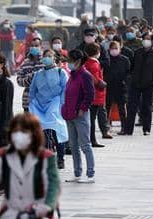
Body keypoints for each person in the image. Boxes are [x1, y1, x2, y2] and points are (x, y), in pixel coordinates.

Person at [29, 49, 69, 169]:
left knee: (57, 130)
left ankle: (60, 157)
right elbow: (33, 90)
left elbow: (65, 88)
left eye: (49, 56)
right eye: (45, 56)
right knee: (44, 132)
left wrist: (62, 104)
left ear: (54, 58)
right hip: (40, 105)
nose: (47, 58)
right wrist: (32, 103)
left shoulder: (60, 72)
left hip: (55, 104)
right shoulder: (38, 74)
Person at [61, 49, 96, 183]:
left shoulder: (85, 75)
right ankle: (77, 173)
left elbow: (90, 95)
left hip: (80, 115)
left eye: (70, 60)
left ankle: (90, 173)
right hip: (69, 115)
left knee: (85, 145)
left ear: (78, 61)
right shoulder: (72, 75)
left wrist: (82, 109)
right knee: (73, 145)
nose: (68, 63)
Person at [124, 33, 153, 136]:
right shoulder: (137, 52)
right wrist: (132, 77)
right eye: (145, 39)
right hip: (135, 83)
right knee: (132, 107)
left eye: (148, 39)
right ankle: (128, 130)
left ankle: (146, 129)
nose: (146, 41)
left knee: (147, 107)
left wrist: (152, 79)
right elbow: (131, 66)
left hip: (148, 84)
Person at [84, 43, 111, 145]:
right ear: (97, 52)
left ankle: (91, 139)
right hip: (95, 95)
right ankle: (92, 140)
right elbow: (94, 79)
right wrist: (101, 83)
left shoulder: (87, 62)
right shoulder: (94, 64)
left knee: (91, 118)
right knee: (92, 118)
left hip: (92, 94)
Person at [104, 41, 131, 135]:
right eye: (112, 48)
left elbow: (128, 73)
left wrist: (125, 82)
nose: (114, 50)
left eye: (116, 48)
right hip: (109, 87)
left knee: (122, 109)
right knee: (107, 108)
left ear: (120, 49)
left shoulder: (125, 60)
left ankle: (124, 127)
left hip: (121, 87)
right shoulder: (106, 59)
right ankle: (106, 127)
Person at [17, 37, 44, 112]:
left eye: (36, 45)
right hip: (27, 102)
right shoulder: (25, 62)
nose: (34, 47)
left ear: (41, 47)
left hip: (42, 102)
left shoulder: (45, 62)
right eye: (32, 45)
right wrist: (30, 78)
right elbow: (19, 80)